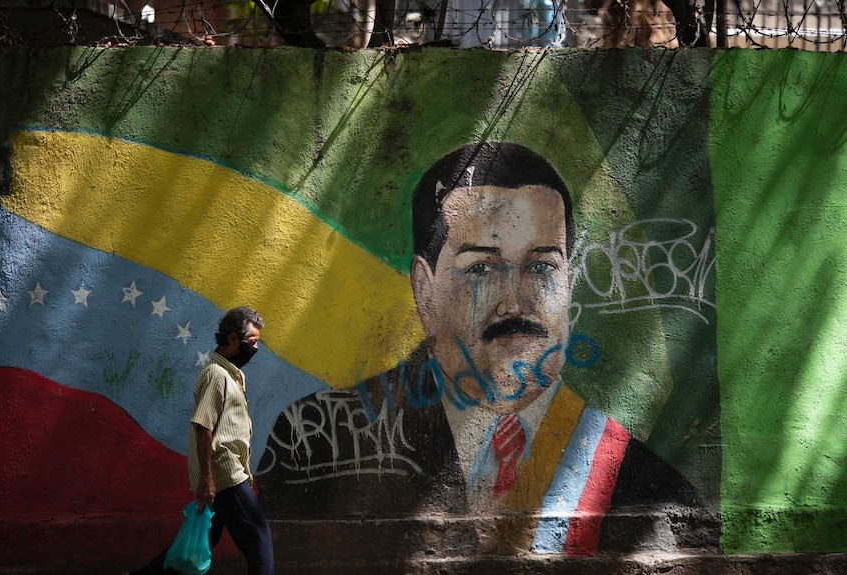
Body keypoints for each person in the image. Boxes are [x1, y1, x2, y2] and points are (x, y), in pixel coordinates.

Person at [256, 143, 716, 555]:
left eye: (541, 267)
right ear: (425, 290)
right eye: (481, 269)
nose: (515, 302)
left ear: (570, 285)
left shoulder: (646, 485)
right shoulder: (313, 445)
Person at [131, 306, 274, 575]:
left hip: (227, 471)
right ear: (233, 339)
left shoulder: (230, 375)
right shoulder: (215, 376)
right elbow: (203, 426)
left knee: (205, 537)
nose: (255, 350)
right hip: (223, 472)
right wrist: (207, 479)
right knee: (258, 536)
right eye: (252, 342)